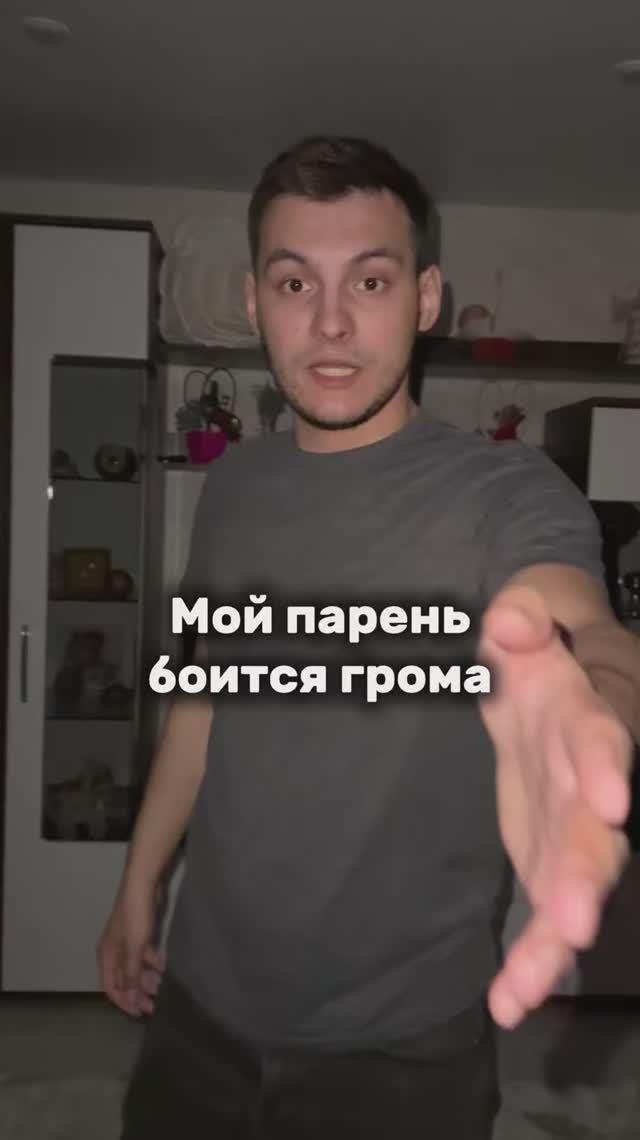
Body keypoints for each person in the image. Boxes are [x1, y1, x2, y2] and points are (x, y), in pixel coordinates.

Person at [98, 136, 639, 1139]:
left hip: (402, 1051)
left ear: (426, 298)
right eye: (295, 282)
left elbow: (584, 625)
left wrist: (594, 704)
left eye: (372, 280)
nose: (332, 321)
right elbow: (204, 701)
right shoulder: (235, 486)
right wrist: (137, 885)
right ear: (255, 302)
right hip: (201, 1010)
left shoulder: (506, 491)